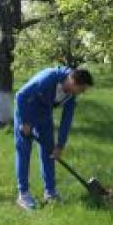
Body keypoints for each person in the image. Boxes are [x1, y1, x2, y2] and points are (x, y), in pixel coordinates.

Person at [14, 67, 94, 210]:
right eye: (81, 89)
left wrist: (60, 145)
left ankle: (50, 193)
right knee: (24, 152)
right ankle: (23, 194)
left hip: (44, 116)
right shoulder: (48, 78)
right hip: (26, 112)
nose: (81, 93)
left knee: (50, 153)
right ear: (72, 81)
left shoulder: (71, 94)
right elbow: (20, 95)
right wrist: (25, 122)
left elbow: (67, 119)